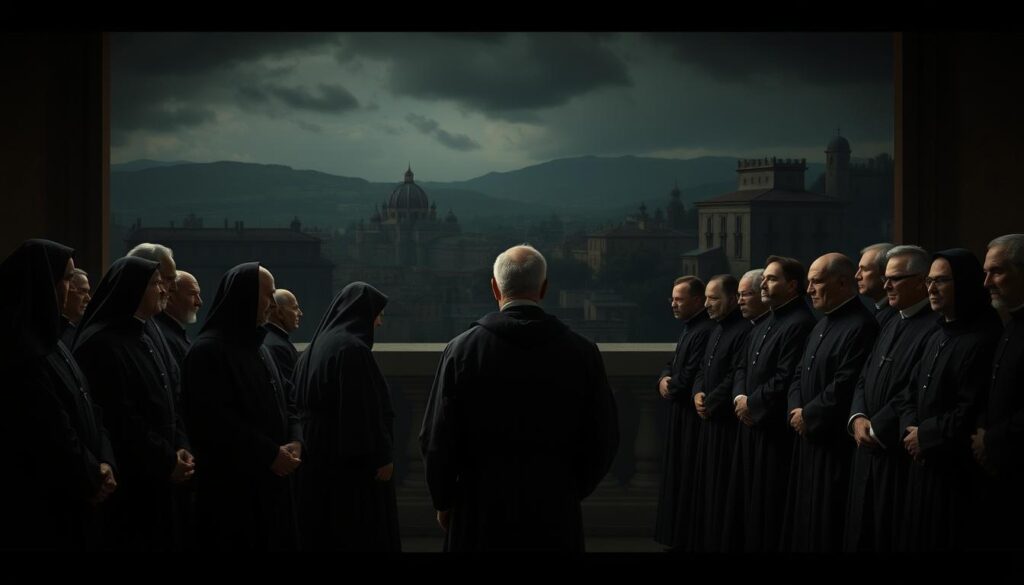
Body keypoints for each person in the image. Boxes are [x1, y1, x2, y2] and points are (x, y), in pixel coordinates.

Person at [419, 244, 618, 552]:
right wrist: (567, 489)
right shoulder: (582, 352)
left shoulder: (461, 351)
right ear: (545, 288)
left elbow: (436, 437)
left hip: (479, 505)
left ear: (495, 288)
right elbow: (604, 436)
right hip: (554, 506)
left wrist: (445, 500)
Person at [0, 239, 116, 550]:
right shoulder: (22, 352)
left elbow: (91, 408)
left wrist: (105, 462)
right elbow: (50, 432)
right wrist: (92, 475)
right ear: (43, 283)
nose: (70, 287)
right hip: (45, 511)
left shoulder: (55, 342)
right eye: (66, 278)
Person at [72, 255, 193, 550]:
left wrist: (180, 446)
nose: (164, 290)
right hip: (133, 483)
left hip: (163, 476)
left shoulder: (147, 335)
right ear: (133, 290)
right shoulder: (101, 344)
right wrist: (166, 460)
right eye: (155, 284)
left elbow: (170, 401)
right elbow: (119, 418)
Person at [181, 263, 303, 550]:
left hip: (272, 485)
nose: (273, 305)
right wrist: (270, 452)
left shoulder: (261, 347)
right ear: (246, 297)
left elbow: (288, 398)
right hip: (233, 493)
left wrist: (296, 439)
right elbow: (214, 422)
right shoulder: (207, 351)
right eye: (268, 295)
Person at [895, 249, 1001, 550]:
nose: (930, 289)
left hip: (956, 474)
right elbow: (908, 392)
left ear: (964, 284)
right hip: (922, 463)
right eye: (929, 281)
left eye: (940, 281)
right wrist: (909, 431)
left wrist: (924, 436)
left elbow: (973, 407)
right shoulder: (937, 332)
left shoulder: (985, 336)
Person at [781, 253, 878, 552]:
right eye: (808, 282)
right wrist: (796, 409)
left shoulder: (862, 326)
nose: (809, 289)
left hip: (834, 443)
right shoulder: (821, 324)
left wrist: (808, 413)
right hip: (808, 436)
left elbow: (846, 383)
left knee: (829, 524)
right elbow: (797, 374)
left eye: (817, 282)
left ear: (842, 282)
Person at [294, 281, 400, 551]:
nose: (379, 322)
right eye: (377, 314)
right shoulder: (353, 350)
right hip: (348, 471)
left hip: (316, 458)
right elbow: (361, 411)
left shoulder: (315, 348)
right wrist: (382, 456)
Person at [844, 245, 937, 552]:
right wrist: (857, 417)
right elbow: (865, 375)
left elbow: (910, 391)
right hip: (867, 446)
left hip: (894, 450)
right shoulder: (890, 320)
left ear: (921, 281)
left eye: (895, 279)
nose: (886, 286)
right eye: (885, 278)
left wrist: (875, 429)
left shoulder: (934, 326)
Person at [724, 255, 815, 552]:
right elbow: (741, 368)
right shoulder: (767, 320)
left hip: (773, 429)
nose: (764, 282)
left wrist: (752, 404)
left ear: (792, 286)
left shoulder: (799, 322)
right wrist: (740, 398)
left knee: (770, 506)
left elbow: (787, 376)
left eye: (771, 278)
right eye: (763, 279)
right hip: (751, 422)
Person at [652, 275, 715, 551]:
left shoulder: (704, 329)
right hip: (682, 413)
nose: (673, 305)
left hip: (691, 417)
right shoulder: (691, 327)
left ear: (698, 300)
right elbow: (674, 362)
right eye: (672, 300)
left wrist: (671, 384)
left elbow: (690, 374)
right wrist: (665, 377)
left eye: (679, 299)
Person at [688, 274, 750, 551]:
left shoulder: (743, 331)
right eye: (707, 298)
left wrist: (710, 401)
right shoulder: (715, 328)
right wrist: (697, 393)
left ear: (733, 299)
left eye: (714, 298)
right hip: (709, 419)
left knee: (725, 491)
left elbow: (735, 375)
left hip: (726, 423)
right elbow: (702, 369)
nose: (708, 304)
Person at [973, 234, 1024, 548]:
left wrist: (990, 440)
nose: (987, 282)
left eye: (997, 272)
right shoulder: (1011, 323)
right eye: (985, 272)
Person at [154, 270, 202, 368]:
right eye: (193, 294)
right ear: (170, 298)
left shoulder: (171, 334)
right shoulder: (163, 337)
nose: (199, 302)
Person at [264, 288, 302, 385]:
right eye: (295, 308)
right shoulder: (278, 346)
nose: (300, 313)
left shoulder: (271, 340)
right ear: (280, 313)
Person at [857, 243, 897, 328]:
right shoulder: (878, 309)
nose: (857, 276)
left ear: (886, 272)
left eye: (865, 269)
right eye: (859, 269)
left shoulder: (895, 315)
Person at [60, 268, 90, 347]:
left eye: (87, 292)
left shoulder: (83, 331)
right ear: (66, 290)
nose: (88, 299)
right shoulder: (55, 332)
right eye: (82, 291)